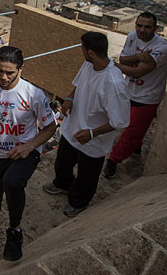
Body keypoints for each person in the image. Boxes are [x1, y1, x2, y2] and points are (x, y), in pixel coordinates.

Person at [0, 46, 56, 261]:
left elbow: (50, 127)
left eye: (9, 72)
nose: (3, 77)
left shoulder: (33, 94)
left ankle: (15, 231)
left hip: (25, 153)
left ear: (21, 69)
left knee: (12, 183)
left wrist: (29, 146)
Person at [42, 31, 129, 217]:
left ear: (90, 52)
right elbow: (79, 84)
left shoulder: (114, 82)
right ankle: (62, 184)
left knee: (87, 175)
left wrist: (92, 133)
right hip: (73, 128)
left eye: (82, 47)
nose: (80, 51)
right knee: (63, 163)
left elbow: (119, 121)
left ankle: (79, 202)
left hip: (92, 140)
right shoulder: (89, 65)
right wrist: (69, 98)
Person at [103, 12, 167, 178]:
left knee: (132, 132)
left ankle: (113, 160)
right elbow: (125, 59)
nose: (142, 30)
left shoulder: (161, 49)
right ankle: (136, 148)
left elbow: (137, 72)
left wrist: (111, 64)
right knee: (130, 126)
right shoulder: (133, 36)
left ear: (156, 29)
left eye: (147, 27)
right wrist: (139, 57)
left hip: (147, 97)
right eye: (139, 25)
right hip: (129, 92)